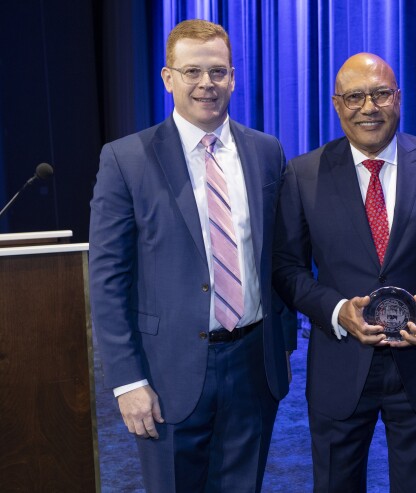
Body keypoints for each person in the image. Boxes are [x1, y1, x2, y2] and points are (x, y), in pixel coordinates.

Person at [88, 19, 295, 493]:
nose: (207, 84)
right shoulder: (126, 159)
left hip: (253, 366)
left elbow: (280, 256)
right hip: (166, 373)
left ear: (234, 77)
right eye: (192, 72)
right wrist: (126, 381)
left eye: (218, 72)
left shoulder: (266, 152)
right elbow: (107, 280)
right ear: (168, 78)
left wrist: (282, 343)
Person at [272, 53, 416, 492]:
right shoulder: (303, 173)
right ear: (336, 104)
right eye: (354, 97)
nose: (369, 107)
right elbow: (287, 268)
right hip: (339, 364)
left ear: (398, 99)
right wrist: (335, 310)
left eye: (381, 94)